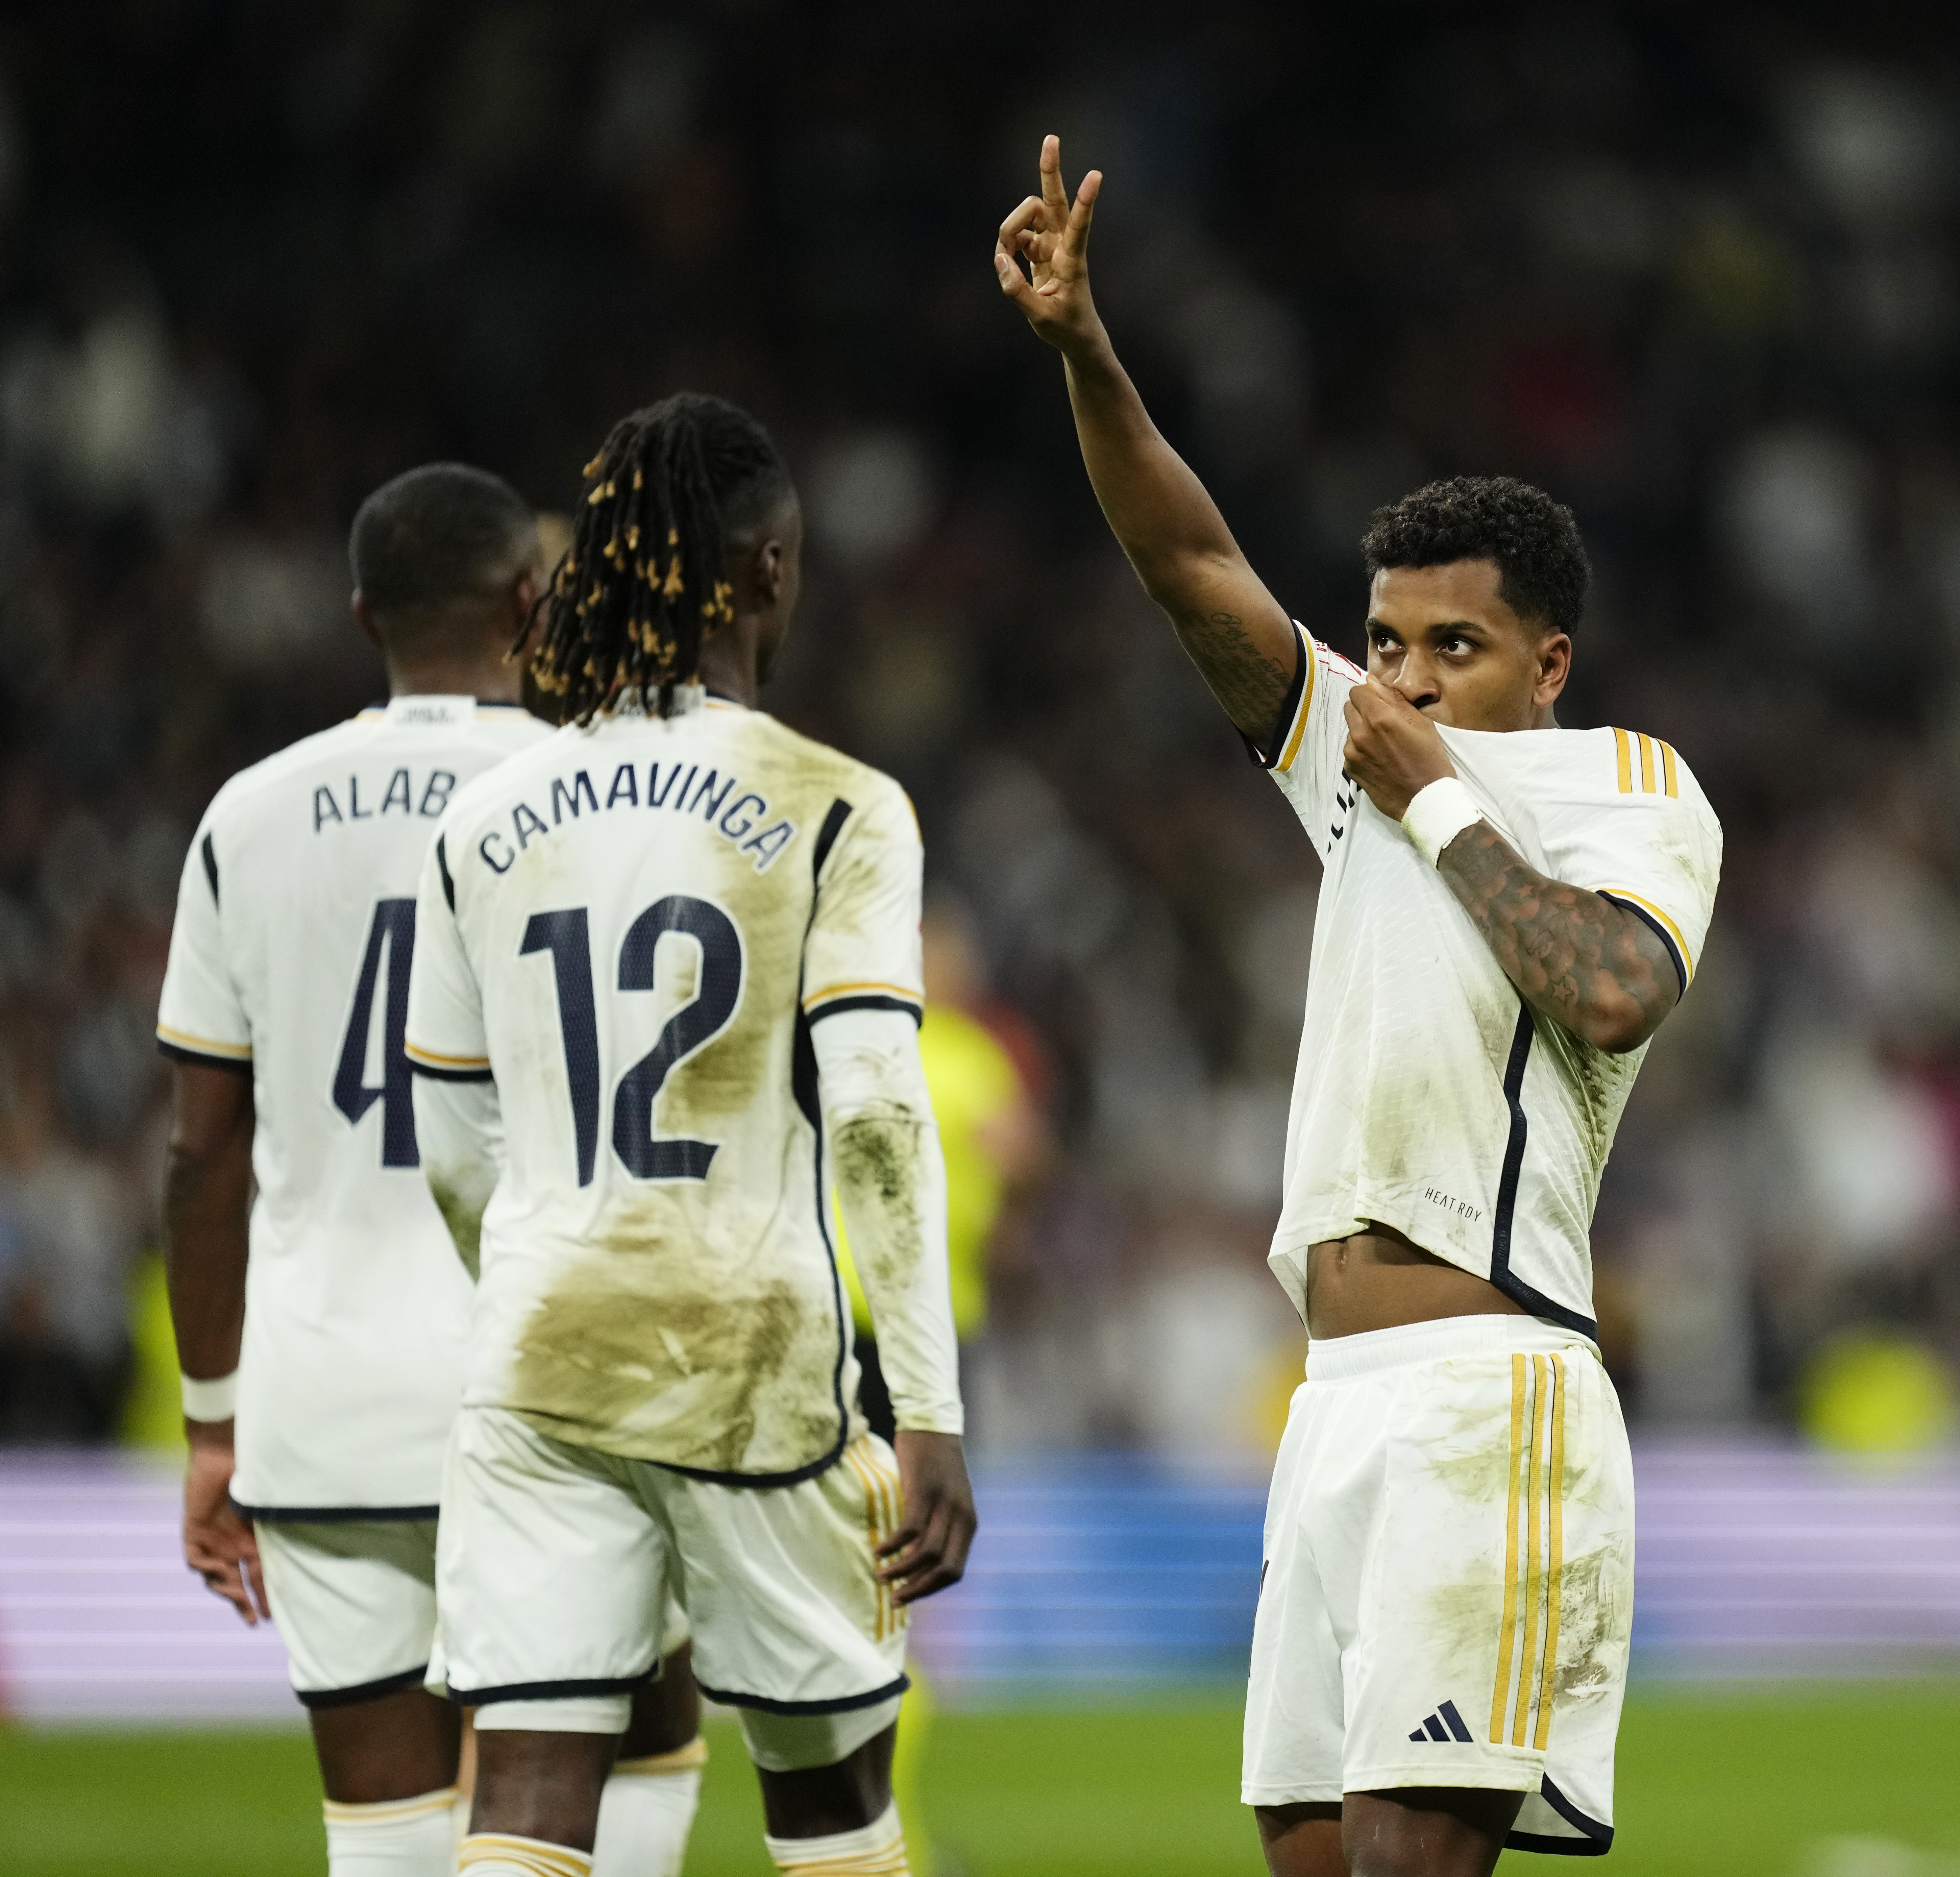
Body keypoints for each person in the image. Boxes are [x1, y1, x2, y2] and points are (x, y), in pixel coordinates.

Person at [997, 138, 1721, 1875]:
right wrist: (1087, 349)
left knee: (1411, 1859)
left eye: (1449, 647)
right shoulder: (1358, 760)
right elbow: (1191, 561)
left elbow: (1613, 996)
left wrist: (1438, 797)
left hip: (1496, 1388)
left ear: (1545, 663)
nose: (1398, 679)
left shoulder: (1636, 789)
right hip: (1330, 1404)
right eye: (1384, 642)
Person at [401, 394, 977, 1877]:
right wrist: (928, 1409)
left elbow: (454, 1140)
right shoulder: (841, 803)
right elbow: (873, 1122)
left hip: (538, 1348)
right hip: (750, 1358)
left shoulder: (481, 822)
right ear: (772, 568)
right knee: (830, 1799)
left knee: (524, 1799)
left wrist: (538, 1268)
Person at [156, 463, 708, 1876]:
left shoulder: (246, 815)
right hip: (556, 1376)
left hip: (325, 1389)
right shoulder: (599, 798)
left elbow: (200, 1154)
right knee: (624, 1759)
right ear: (534, 597)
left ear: (360, 617)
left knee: (384, 1823)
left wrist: (215, 1421)